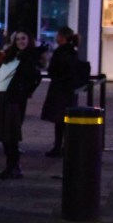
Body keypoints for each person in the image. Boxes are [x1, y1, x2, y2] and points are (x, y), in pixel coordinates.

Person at [0, 30, 43, 179]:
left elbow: (34, 78)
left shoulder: (29, 57)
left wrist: (24, 91)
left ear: (29, 40)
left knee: (11, 134)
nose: (20, 42)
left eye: (23, 38)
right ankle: (12, 165)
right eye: (18, 39)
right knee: (6, 133)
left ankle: (13, 165)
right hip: (3, 97)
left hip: (14, 99)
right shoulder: (12, 55)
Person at [40, 27, 81, 157]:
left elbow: (53, 70)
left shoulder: (60, 52)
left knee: (59, 121)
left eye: (58, 35)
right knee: (65, 121)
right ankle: (65, 146)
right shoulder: (72, 51)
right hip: (68, 90)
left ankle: (58, 147)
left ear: (62, 37)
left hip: (59, 90)